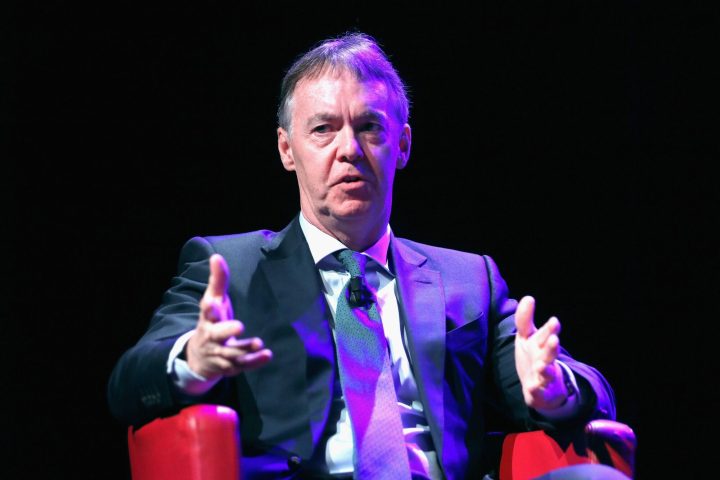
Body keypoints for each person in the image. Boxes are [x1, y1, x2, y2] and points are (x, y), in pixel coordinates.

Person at [108, 32, 628, 480]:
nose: (349, 149)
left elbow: (581, 385)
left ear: (401, 145)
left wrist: (556, 390)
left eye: (369, 127)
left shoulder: (468, 279)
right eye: (323, 129)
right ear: (287, 149)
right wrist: (193, 361)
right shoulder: (230, 268)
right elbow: (128, 384)